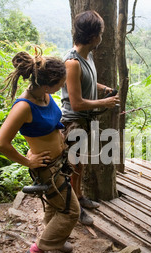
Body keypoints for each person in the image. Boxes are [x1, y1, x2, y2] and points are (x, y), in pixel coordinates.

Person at [0, 48, 80, 253]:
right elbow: (1, 143)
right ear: (46, 85)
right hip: (46, 169)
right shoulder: (24, 106)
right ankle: (37, 250)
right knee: (71, 211)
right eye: (60, 84)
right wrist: (27, 162)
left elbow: (50, 122)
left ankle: (55, 238)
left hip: (59, 162)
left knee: (56, 204)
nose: (61, 88)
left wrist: (60, 134)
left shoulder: (44, 96)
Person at [61, 10, 120, 225]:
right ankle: (74, 208)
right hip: (74, 120)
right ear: (94, 36)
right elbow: (76, 102)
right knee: (73, 165)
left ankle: (79, 196)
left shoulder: (88, 56)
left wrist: (103, 89)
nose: (101, 38)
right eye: (101, 33)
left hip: (85, 120)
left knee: (80, 163)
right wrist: (105, 103)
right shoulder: (72, 62)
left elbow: (85, 82)